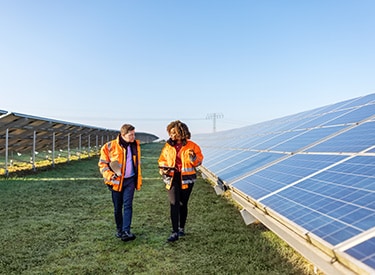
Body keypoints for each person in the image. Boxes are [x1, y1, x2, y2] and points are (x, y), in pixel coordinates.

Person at [158, 120, 204, 242]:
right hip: (171, 178)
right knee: (174, 203)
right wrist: (163, 169)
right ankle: (174, 232)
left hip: (186, 179)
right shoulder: (167, 146)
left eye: (175, 132)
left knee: (183, 203)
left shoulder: (193, 146)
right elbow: (162, 160)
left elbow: (198, 162)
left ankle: (181, 227)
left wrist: (193, 158)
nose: (172, 135)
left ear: (182, 132)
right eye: (170, 132)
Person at [98, 124, 142, 242]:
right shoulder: (109, 146)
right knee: (118, 207)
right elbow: (102, 164)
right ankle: (119, 230)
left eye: (134, 134)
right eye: (131, 135)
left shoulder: (135, 146)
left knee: (128, 205)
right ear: (123, 135)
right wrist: (110, 175)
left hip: (130, 180)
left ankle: (126, 231)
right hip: (116, 181)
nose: (133, 137)